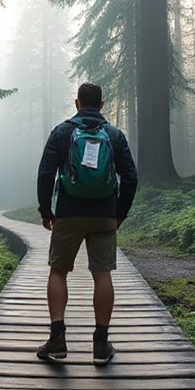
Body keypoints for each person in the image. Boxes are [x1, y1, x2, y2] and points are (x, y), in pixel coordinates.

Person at [35, 83, 138, 365]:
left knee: (58, 271)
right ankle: (101, 345)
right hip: (105, 213)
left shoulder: (62, 132)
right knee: (102, 273)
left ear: (77, 103)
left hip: (68, 213)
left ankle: (57, 338)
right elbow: (130, 178)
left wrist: (46, 210)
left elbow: (45, 173)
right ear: (101, 104)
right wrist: (120, 213)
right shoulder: (114, 135)